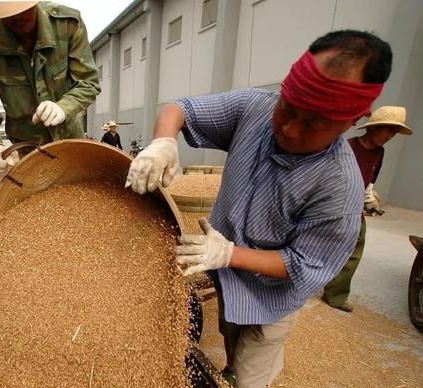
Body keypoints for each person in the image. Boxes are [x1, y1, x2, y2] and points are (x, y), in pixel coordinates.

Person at [125, 30, 392, 387]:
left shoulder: (339, 188)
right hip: (229, 280)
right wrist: (163, 141)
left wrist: (230, 254)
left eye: (312, 123)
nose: (289, 129)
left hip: (270, 301)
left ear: (355, 120)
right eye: (288, 108)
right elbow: (180, 109)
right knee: (231, 339)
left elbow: (305, 264)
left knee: (249, 375)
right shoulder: (256, 108)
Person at [0, 1, 101, 179]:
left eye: (23, 11)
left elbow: (88, 82)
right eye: (9, 15)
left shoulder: (67, 24)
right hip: (29, 154)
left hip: (71, 143)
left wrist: (64, 107)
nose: (17, 18)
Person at [323, 106, 413, 312]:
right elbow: (328, 178)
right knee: (320, 242)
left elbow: (370, 180)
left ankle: (335, 295)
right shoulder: (347, 147)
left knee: (354, 250)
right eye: (389, 130)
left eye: (395, 132)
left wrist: (368, 201)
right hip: (334, 203)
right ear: (374, 128)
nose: (391, 136)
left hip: (355, 208)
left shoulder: (380, 152)